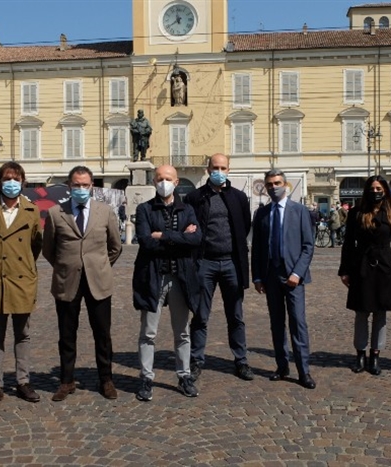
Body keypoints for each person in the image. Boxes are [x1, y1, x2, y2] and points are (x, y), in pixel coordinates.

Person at [43, 166, 123, 401]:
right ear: (69, 186)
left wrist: (98, 265)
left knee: (102, 334)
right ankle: (66, 381)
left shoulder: (105, 211)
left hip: (98, 281)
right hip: (67, 281)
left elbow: (115, 247)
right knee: (67, 335)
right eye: (76, 185)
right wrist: (67, 265)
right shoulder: (56, 213)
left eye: (85, 185)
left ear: (91, 186)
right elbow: (49, 249)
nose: (81, 189)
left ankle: (106, 379)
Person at [0, 162, 43, 408]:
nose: (11, 183)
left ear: (23, 182)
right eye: (7, 178)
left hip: (22, 278)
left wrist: (24, 266)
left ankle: (23, 381)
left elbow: (35, 245)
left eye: (16, 178)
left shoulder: (32, 210)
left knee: (22, 334)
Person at [133, 165, 202, 402]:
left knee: (182, 332)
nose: (164, 182)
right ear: (154, 182)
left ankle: (184, 376)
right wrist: (180, 237)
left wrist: (163, 235)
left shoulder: (188, 209)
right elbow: (145, 241)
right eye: (160, 178)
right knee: (148, 333)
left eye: (168, 178)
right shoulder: (144, 209)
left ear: (177, 181)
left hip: (181, 279)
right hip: (153, 277)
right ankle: (146, 377)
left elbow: (196, 239)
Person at [185, 153, 254, 381]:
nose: (219, 171)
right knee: (200, 315)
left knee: (236, 315)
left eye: (223, 167)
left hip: (232, 263)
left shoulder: (239, 197)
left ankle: (241, 361)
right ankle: (196, 360)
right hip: (205, 262)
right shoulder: (195, 197)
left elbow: (244, 226)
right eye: (215, 167)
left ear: (229, 169)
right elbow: (189, 226)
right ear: (208, 169)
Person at [251, 169, 316, 389]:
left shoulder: (299, 211)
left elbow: (308, 246)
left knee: (298, 323)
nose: (273, 187)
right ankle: (282, 365)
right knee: (276, 324)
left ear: (285, 185)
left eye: (277, 183)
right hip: (271, 276)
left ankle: (303, 370)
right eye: (269, 184)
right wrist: (258, 276)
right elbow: (257, 248)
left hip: (294, 277)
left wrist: (297, 273)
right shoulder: (261, 214)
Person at [337, 176, 391, 376]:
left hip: (384, 268)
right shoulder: (357, 213)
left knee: (380, 313)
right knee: (361, 312)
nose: (375, 191)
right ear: (367, 190)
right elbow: (348, 243)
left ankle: (375, 355)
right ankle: (360, 354)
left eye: (379, 188)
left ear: (385, 190)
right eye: (372, 188)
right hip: (361, 266)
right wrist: (344, 270)